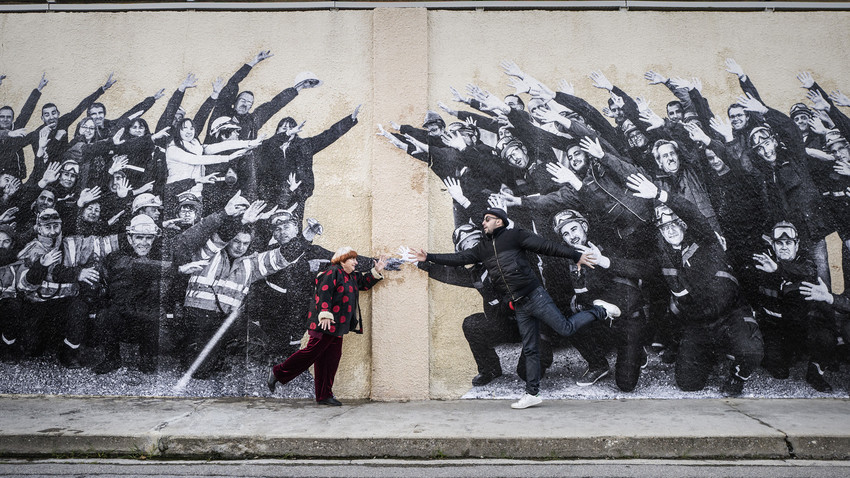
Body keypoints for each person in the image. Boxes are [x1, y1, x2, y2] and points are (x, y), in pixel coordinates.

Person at [413, 207, 618, 409]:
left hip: (536, 303)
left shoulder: (512, 241)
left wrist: (576, 256)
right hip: (516, 313)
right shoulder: (478, 264)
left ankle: (601, 312)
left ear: (499, 222)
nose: (483, 224)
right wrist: (425, 259)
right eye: (466, 246)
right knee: (489, 334)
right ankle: (526, 390)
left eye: (487, 220)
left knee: (565, 327)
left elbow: (546, 247)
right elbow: (453, 265)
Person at [268, 247, 388, 406]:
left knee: (330, 359)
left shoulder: (350, 276)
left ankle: (324, 395)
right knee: (311, 353)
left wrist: (376, 270)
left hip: (338, 327)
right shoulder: (332, 272)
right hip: (324, 324)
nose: (356, 262)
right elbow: (323, 292)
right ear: (342, 259)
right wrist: (324, 313)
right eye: (352, 259)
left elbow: (365, 284)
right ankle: (277, 372)